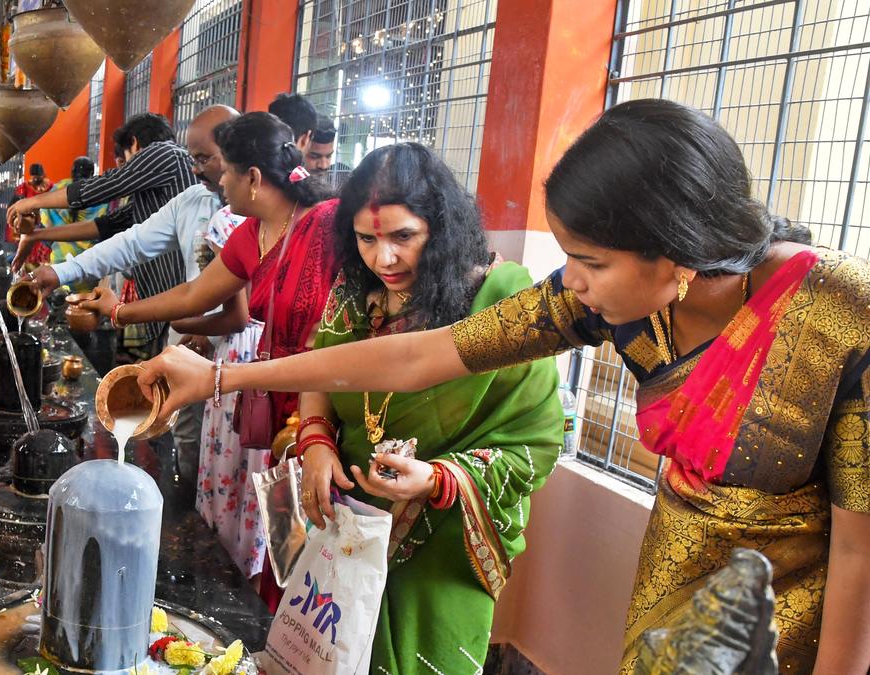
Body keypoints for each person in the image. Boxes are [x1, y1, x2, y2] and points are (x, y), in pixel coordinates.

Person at [140, 99, 870, 674]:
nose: (572, 280)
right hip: (673, 581)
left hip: (796, 612)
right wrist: (219, 377)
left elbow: (859, 554)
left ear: (675, 245)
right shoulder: (608, 298)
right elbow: (419, 358)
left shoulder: (839, 313)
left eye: (589, 259)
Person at [297, 142, 560, 672]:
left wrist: (435, 481)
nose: (383, 258)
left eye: (403, 237)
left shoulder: (498, 298)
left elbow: (534, 443)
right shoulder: (355, 291)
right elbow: (318, 371)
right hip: (351, 514)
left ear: (440, 227)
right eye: (365, 239)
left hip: (443, 539)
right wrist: (316, 442)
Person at [78, 112, 338, 601]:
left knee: (303, 537)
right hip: (265, 392)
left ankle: (284, 627)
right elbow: (196, 293)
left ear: (253, 179)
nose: (218, 178)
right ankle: (255, 614)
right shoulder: (253, 232)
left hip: (319, 399)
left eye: (226, 170)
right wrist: (122, 312)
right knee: (266, 519)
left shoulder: (323, 227)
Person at [24, 105, 246, 510]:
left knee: (238, 462)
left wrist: (122, 312)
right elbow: (131, 240)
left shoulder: (245, 213)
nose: (195, 169)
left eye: (204, 159)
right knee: (193, 443)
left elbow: (216, 303)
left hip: (239, 353)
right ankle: (192, 519)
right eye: (193, 158)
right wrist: (61, 272)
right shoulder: (193, 201)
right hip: (189, 332)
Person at [8, 112, 196, 355]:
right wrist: (36, 236)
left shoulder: (165, 153)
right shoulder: (160, 194)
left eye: (124, 158)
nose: (124, 166)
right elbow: (104, 226)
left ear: (135, 144)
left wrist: (32, 203)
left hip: (186, 303)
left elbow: (101, 188)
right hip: (165, 301)